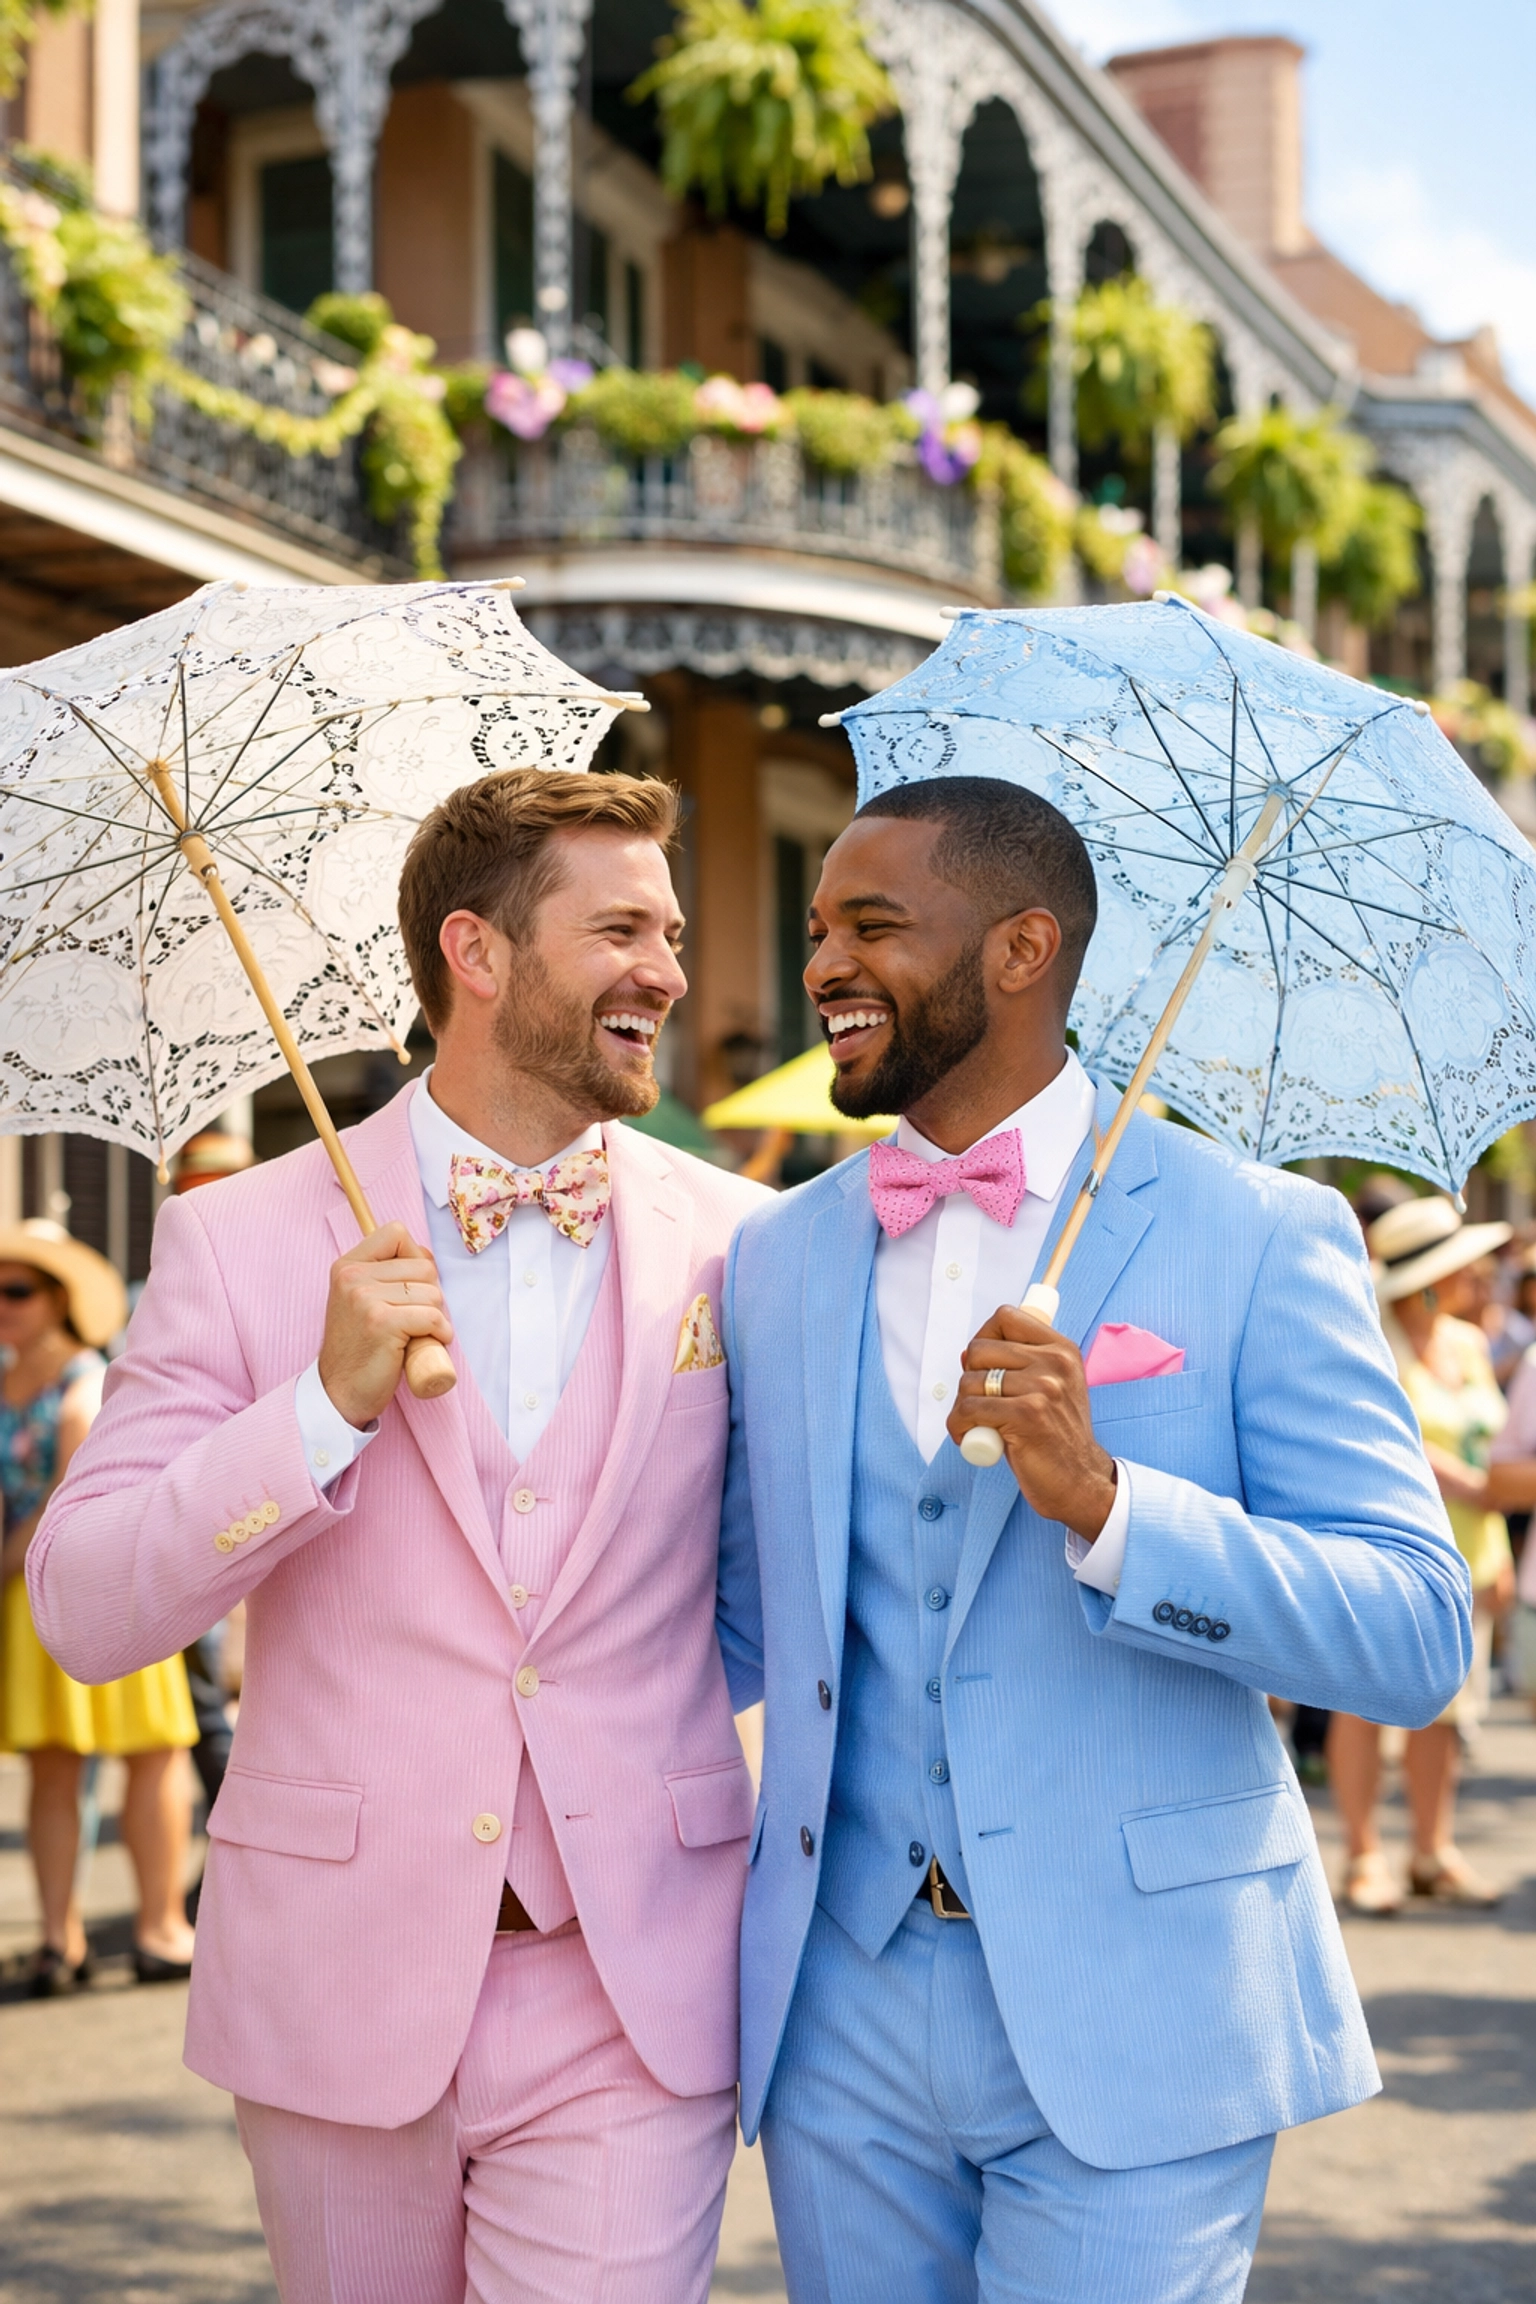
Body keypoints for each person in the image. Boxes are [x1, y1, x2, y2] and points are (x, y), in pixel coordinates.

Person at [716, 775, 1470, 2304]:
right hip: (840, 2012)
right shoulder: (776, 1255)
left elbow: (1414, 1631)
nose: (823, 965)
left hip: (1149, 2004)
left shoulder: (1258, 1232)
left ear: (1022, 948)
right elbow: (731, 1611)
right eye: (818, 929)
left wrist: (1114, 1509)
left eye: (872, 925)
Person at [30, 768, 767, 2304]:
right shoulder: (237, 1240)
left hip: (636, 1981)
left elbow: (779, 1590)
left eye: (674, 932)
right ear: (475, 954)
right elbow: (87, 1610)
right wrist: (320, 1410)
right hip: (337, 1973)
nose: (669, 973)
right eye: (621, 930)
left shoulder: (742, 1244)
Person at [0, 1220, 198, 1991]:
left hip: (105, 1584)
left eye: (18, 1290)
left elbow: (65, 1502)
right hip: (34, 1599)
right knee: (53, 1768)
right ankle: (62, 1941)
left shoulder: (88, 1384)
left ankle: (159, 1927)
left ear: (59, 1301)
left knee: (151, 1756)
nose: (4, 1304)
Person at [1327, 1195, 1524, 1914]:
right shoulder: (1370, 1341)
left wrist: (1498, 1553)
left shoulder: (1469, 1344)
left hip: (1468, 1548)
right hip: (1388, 1548)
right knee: (1364, 1704)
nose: (1480, 1275)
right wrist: (1474, 1486)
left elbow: (1490, 1444)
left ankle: (1432, 1850)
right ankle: (1364, 1853)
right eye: (1464, 1265)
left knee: (1449, 1706)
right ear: (1431, 1279)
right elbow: (1390, 1440)